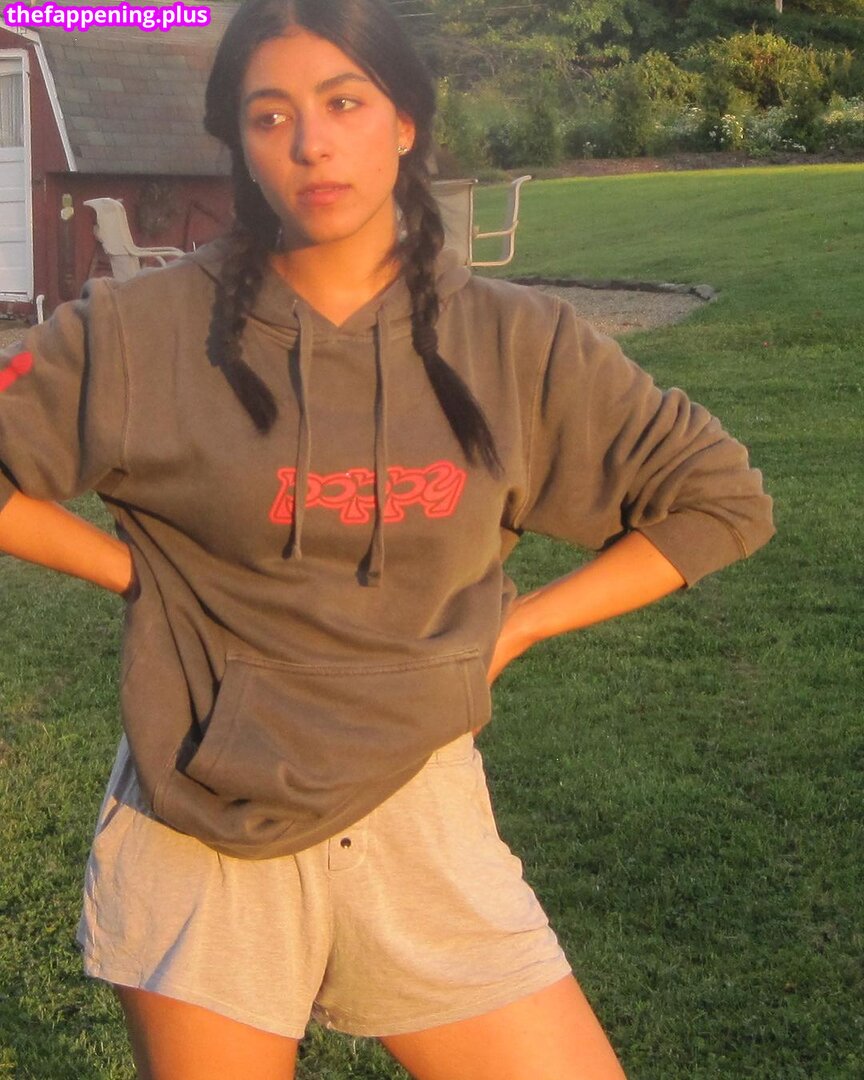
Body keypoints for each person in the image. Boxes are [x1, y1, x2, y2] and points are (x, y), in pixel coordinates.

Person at [0, 1, 774, 1076]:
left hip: (421, 810)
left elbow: (720, 498)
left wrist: (517, 628)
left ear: (405, 119)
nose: (311, 144)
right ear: (240, 142)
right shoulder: (138, 333)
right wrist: (139, 577)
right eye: (271, 116)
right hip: (204, 818)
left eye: (343, 103)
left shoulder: (518, 343)